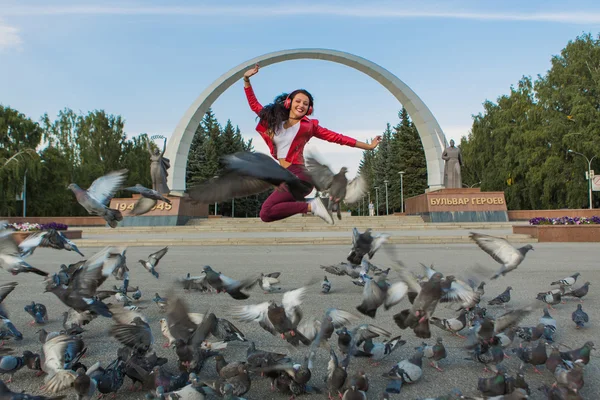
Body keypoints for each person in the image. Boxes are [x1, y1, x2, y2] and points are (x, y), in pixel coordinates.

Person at [243, 63, 381, 224]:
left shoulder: (309, 126)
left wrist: (369, 146)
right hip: (286, 175)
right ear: (289, 102)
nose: (301, 105)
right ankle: (311, 206)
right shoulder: (275, 121)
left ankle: (313, 206)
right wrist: (246, 80)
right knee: (267, 214)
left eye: (306, 104)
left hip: (299, 175)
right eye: (298, 101)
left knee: (266, 211)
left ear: (309, 109)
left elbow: (338, 138)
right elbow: (255, 106)